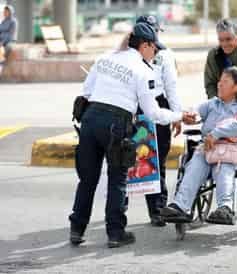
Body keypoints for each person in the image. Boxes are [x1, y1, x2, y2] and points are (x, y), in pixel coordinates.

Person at [68, 22, 195, 248]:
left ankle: (77, 229)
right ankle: (115, 234)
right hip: (116, 124)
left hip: (90, 120)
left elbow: (86, 92)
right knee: (117, 179)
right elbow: (153, 112)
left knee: (87, 179)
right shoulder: (143, 70)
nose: (155, 52)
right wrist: (178, 116)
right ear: (144, 45)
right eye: (154, 47)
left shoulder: (105, 57)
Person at [160, 66, 237, 225]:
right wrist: (190, 116)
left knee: (223, 167)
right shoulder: (214, 103)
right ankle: (180, 206)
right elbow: (197, 111)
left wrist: (217, 133)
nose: (219, 84)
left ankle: (225, 208)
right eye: (220, 81)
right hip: (207, 148)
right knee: (194, 165)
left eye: (225, 82)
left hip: (233, 151)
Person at [135, 15, 182, 227]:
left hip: (152, 104)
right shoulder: (135, 54)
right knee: (148, 159)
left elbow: (171, 87)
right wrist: (177, 114)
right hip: (142, 105)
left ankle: (155, 209)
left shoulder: (164, 55)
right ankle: (156, 210)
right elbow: (172, 86)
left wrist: (176, 114)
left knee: (147, 158)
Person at [0, 5, 17, 75]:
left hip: (9, 41)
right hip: (1, 41)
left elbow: (10, 34)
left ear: (10, 12)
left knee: (3, 50)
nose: (5, 13)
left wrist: (2, 42)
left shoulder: (13, 21)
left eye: (6, 11)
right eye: (4, 11)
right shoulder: (3, 21)